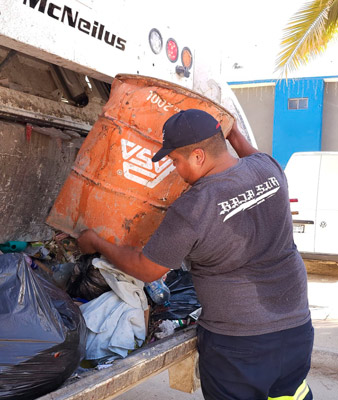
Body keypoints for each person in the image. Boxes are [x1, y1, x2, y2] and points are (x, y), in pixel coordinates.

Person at [78, 109, 313, 400]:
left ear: (199, 156)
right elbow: (245, 149)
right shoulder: (267, 167)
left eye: (175, 160)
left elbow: (147, 269)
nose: (175, 168)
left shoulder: (193, 207)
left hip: (238, 344)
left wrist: (97, 242)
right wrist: (234, 133)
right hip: (296, 327)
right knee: (290, 394)